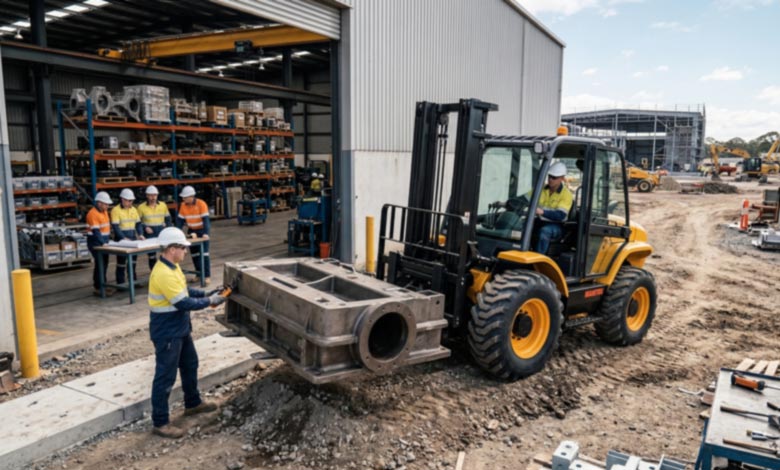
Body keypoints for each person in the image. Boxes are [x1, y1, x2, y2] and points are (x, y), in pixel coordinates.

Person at [148, 227, 224, 438]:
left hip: (179, 328)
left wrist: (206, 293)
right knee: (165, 376)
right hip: (167, 331)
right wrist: (210, 301)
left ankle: (193, 403)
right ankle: (161, 422)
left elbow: (185, 290)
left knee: (190, 364)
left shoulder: (173, 267)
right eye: (182, 248)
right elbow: (183, 302)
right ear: (172, 249)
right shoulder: (164, 273)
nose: (185, 252)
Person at [534, 161, 573, 254]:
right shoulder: (541, 189)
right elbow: (525, 198)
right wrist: (506, 203)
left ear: (562, 178)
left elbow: (560, 215)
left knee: (545, 231)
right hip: (539, 221)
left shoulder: (566, 195)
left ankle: (539, 258)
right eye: (549, 176)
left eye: (554, 177)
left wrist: (542, 212)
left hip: (557, 226)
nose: (550, 179)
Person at [176, 185, 211, 285]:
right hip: (191, 231)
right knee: (195, 255)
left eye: (185, 197)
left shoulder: (201, 204)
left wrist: (206, 233)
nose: (183, 199)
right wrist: (177, 233)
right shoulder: (183, 205)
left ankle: (207, 276)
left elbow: (206, 221)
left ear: (191, 197)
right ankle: (199, 274)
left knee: (204, 254)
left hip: (202, 231)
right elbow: (180, 222)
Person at [111, 188, 144, 285]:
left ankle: (133, 281)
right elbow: (115, 227)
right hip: (121, 240)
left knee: (132, 262)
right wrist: (123, 238)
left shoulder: (134, 209)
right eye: (128, 201)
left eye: (131, 201)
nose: (130, 202)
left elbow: (138, 224)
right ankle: (120, 282)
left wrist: (140, 234)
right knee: (121, 262)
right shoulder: (115, 210)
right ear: (122, 199)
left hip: (132, 237)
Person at [86, 191, 116, 297]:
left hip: (104, 242)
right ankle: (98, 287)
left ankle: (103, 284)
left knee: (105, 263)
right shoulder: (92, 214)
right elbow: (96, 232)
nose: (107, 206)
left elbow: (106, 228)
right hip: (95, 243)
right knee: (100, 264)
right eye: (106, 204)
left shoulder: (104, 211)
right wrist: (103, 243)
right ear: (99, 203)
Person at [138, 185, 172, 270]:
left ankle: (164, 273)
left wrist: (168, 229)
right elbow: (137, 222)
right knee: (152, 256)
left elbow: (168, 219)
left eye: (155, 195)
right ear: (147, 195)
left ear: (157, 195)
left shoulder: (163, 205)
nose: (153, 197)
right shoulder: (141, 207)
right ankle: (154, 273)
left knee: (165, 254)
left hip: (161, 231)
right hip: (150, 233)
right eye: (151, 195)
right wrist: (145, 227)